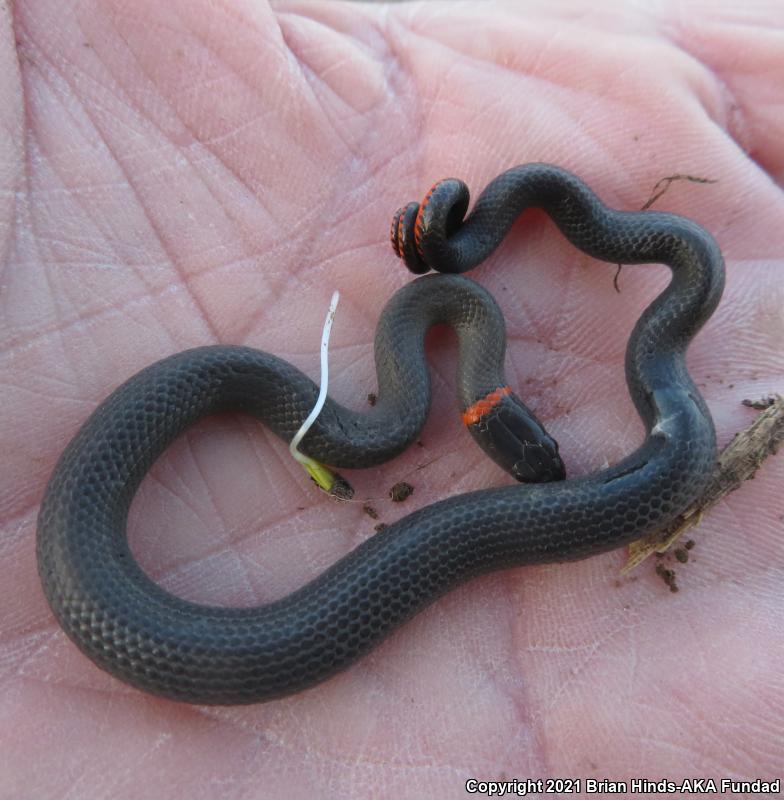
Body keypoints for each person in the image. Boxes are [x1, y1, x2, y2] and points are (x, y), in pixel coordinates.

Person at [2, 0, 781, 796]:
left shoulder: (461, 323)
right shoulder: (432, 358)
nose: (544, 464)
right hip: (125, 603)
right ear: (487, 406)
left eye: (533, 454)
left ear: (494, 410)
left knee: (678, 310)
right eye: (537, 452)